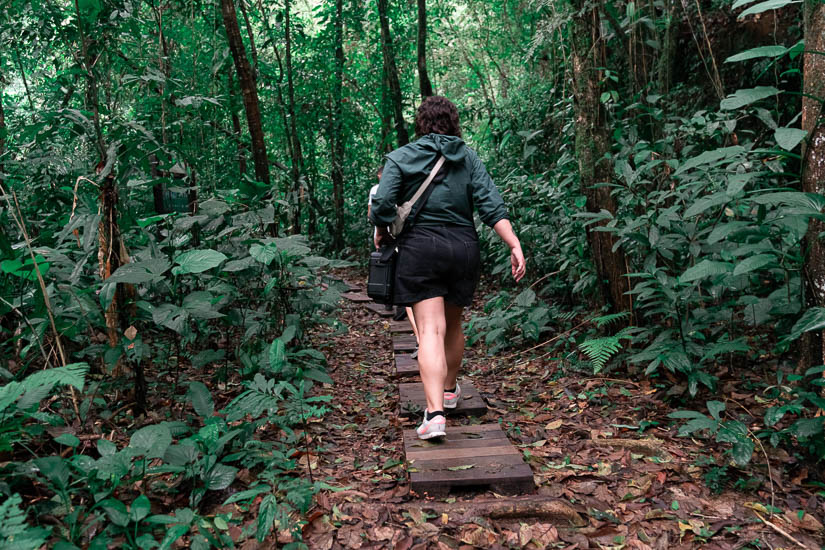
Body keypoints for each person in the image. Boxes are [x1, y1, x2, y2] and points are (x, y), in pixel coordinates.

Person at [369, 96, 525, 440]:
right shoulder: (468, 158)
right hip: (463, 250)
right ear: (453, 123)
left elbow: (382, 204)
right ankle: (451, 390)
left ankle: (435, 414)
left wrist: (381, 230)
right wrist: (513, 244)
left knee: (431, 331)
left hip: (421, 250)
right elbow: (491, 207)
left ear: (421, 123)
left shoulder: (401, 157)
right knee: (453, 325)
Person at [368, 167, 420, 352]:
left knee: (393, 270)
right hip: (412, 237)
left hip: (393, 235)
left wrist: (379, 232)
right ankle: (394, 303)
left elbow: (374, 211)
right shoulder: (408, 185)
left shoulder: (380, 190)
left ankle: (396, 304)